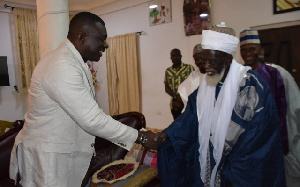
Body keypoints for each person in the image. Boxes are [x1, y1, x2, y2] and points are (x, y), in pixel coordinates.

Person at [9, 12, 158, 187]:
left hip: (64, 158)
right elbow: (92, 119)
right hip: (48, 161)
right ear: (82, 37)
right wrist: (139, 137)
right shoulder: (61, 65)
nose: (105, 45)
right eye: (101, 39)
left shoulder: (74, 62)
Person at [156, 23, 286, 186]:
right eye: (204, 60)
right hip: (208, 162)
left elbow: (259, 136)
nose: (206, 66)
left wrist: (232, 169)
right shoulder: (206, 85)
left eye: (211, 61)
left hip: (240, 168)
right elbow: (189, 117)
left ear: (228, 59)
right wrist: (167, 135)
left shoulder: (252, 85)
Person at [239, 28, 288, 154]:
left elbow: (281, 110)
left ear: (259, 50)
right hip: (245, 139)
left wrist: (282, 140)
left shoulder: (272, 74)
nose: (247, 53)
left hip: (269, 136)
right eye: (243, 50)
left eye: (252, 49)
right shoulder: (236, 76)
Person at [164, 48, 195, 120]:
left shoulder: (189, 68)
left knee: (189, 124)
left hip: (187, 103)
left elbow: (194, 85)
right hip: (175, 104)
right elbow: (166, 88)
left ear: (181, 56)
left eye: (177, 55)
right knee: (177, 124)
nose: (175, 57)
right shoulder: (168, 71)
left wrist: (181, 98)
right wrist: (175, 97)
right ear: (170, 58)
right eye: (173, 56)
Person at [178, 44, 205, 110]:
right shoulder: (193, 75)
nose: (199, 61)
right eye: (196, 59)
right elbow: (182, 89)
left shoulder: (213, 75)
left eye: (201, 58)